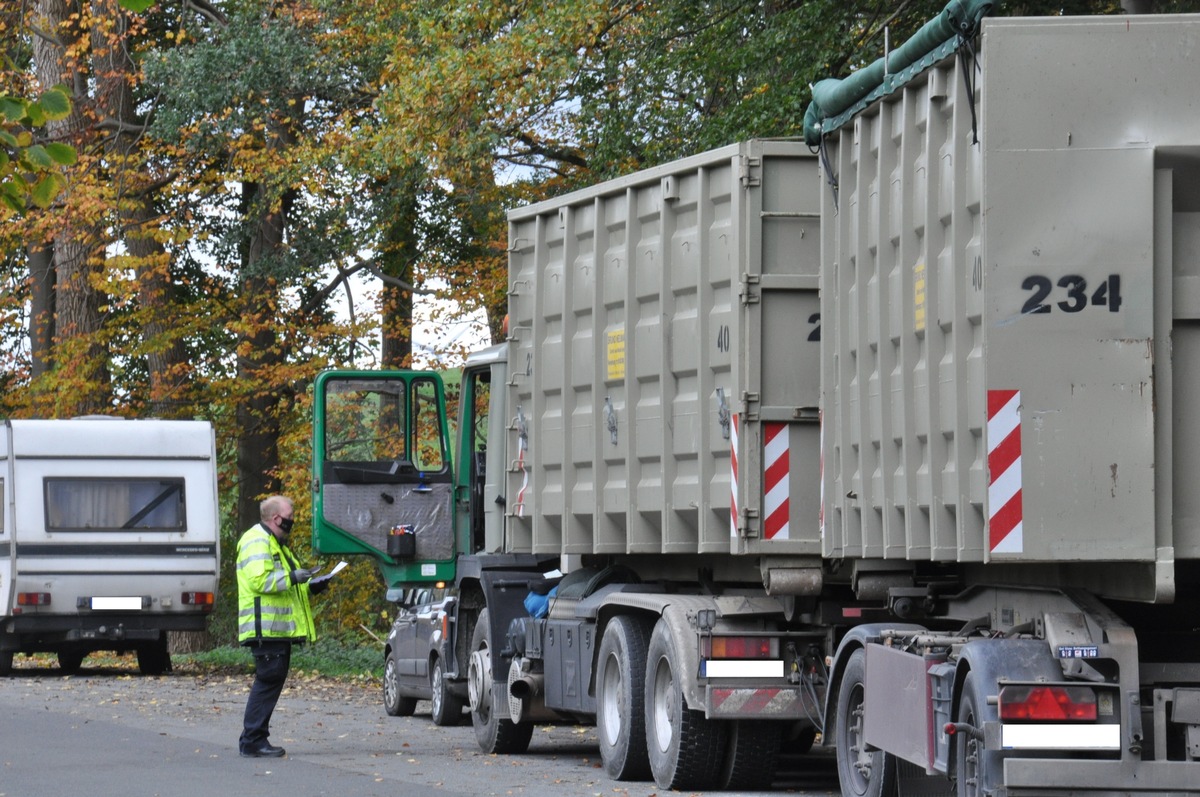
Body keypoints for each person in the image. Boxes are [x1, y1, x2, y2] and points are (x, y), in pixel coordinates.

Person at [236, 494, 328, 758]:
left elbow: (288, 586)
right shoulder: (257, 541)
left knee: (270, 681)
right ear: (276, 518)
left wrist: (312, 585)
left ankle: (254, 738)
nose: (294, 520)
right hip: (266, 628)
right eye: (290, 516)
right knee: (267, 681)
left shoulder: (277, 544)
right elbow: (260, 581)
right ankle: (253, 740)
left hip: (276, 630)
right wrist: (292, 576)